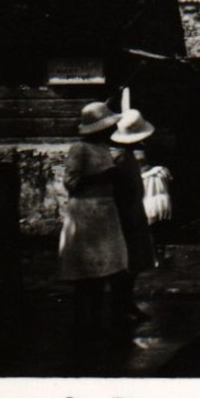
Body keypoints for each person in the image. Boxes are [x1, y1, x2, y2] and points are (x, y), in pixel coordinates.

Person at [58, 102, 128, 339]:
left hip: (105, 212)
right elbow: (71, 183)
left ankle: (96, 321)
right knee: (86, 272)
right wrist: (103, 176)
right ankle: (81, 322)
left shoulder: (104, 148)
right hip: (86, 212)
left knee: (103, 270)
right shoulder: (80, 149)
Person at [108, 108, 159, 330]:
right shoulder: (119, 159)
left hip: (133, 210)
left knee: (135, 261)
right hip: (125, 214)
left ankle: (126, 304)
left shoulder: (127, 157)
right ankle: (120, 306)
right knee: (126, 264)